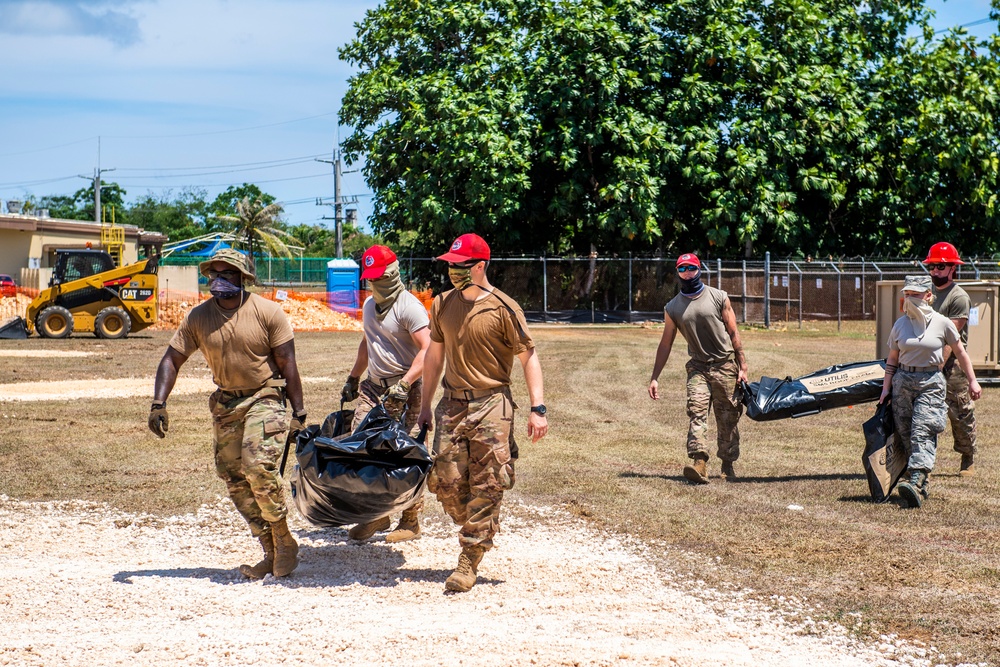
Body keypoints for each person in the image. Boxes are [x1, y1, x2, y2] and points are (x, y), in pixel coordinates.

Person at [148, 248, 307, 578]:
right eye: (213, 275)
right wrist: (158, 403)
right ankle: (271, 548)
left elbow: (287, 364)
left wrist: (299, 413)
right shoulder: (198, 318)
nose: (218, 281)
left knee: (257, 465)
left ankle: (283, 540)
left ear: (243, 278)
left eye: (227, 274)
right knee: (233, 476)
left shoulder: (268, 312)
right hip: (226, 405)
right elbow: (171, 360)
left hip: (266, 398)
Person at [417, 233, 548, 592]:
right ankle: (480, 524)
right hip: (452, 403)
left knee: (488, 481)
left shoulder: (504, 308)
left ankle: (469, 559)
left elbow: (528, 357)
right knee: (445, 481)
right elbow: (434, 356)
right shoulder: (442, 304)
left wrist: (538, 408)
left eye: (458, 267)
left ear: (479, 266)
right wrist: (425, 405)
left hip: (492, 403)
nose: (451, 273)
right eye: (448, 266)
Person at [341, 244, 431, 543]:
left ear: (392, 275)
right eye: (370, 279)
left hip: (408, 391)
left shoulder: (410, 307)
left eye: (378, 278)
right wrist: (354, 377)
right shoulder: (369, 306)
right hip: (374, 387)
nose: (373, 284)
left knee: (405, 454)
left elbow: (428, 350)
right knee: (362, 448)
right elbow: (369, 343)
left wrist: (404, 385)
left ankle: (410, 520)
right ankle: (375, 516)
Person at [878, 275, 982, 508]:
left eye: (915, 294)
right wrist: (886, 388)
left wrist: (973, 381)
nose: (910, 298)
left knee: (923, 429)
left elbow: (961, 353)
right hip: (903, 380)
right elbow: (892, 359)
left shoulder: (942, 322)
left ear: (928, 296)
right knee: (905, 432)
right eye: (907, 294)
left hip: (931, 381)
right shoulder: (900, 324)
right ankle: (921, 481)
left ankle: (915, 481)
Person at [648, 253, 748, 484]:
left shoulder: (718, 297)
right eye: (682, 269)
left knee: (728, 418)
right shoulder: (672, 308)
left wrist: (742, 366)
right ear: (677, 273)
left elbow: (734, 332)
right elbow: (665, 344)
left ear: (699, 269)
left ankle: (727, 463)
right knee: (697, 412)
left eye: (691, 268)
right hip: (697, 368)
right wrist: (655, 377)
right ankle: (699, 462)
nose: (687, 273)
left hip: (724, 365)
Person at [924, 242, 978, 476]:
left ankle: (968, 458)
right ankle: (919, 461)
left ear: (952, 268)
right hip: (925, 361)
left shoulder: (958, 297)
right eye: (932, 266)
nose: (935, 271)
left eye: (940, 266)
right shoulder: (926, 293)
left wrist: (935, 368)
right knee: (922, 414)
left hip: (951, 365)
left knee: (960, 413)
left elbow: (950, 339)